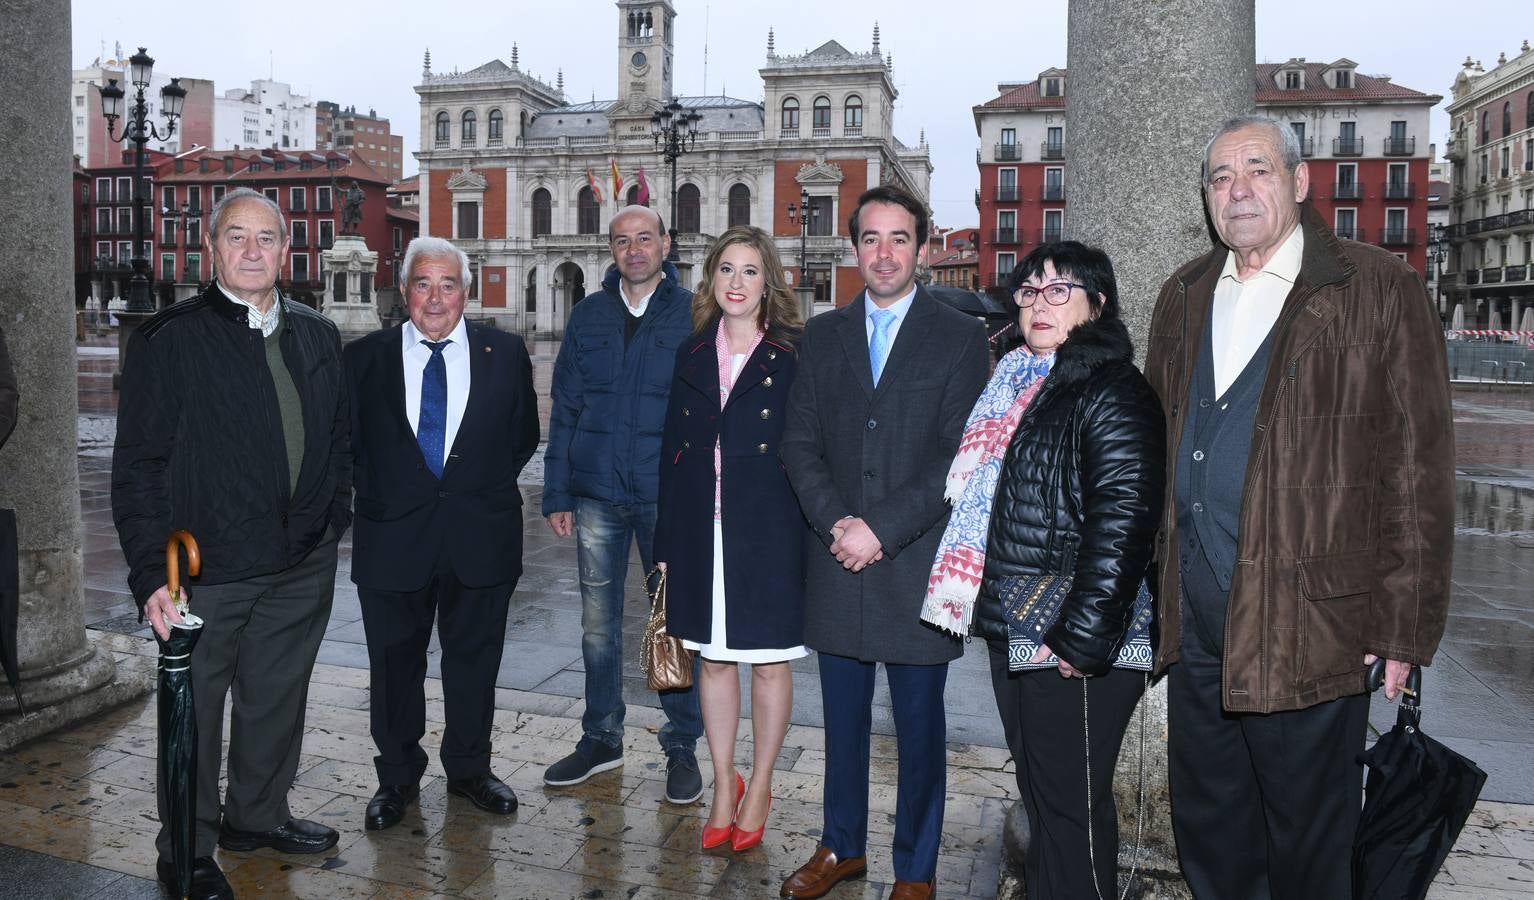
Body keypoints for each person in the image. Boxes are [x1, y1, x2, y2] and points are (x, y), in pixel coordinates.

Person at [1146, 114, 1455, 899]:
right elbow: (1160, 443)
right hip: (1200, 623)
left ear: (1298, 181)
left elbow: (1418, 467)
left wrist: (1403, 626)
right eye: (1220, 177)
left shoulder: (1376, 288)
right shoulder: (1183, 295)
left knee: (1309, 845)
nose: (1238, 189)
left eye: (1256, 169)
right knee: (1210, 826)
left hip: (1313, 626)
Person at [112, 187, 351, 900]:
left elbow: (337, 439)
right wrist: (151, 572)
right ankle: (185, 847)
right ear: (212, 249)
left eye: (266, 238)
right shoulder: (168, 339)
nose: (253, 251)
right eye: (237, 238)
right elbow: (140, 467)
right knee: (197, 709)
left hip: (299, 559)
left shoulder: (317, 333)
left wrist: (329, 519)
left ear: (286, 249)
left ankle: (257, 815)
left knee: (277, 698)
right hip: (205, 566)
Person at [923, 242, 1165, 898]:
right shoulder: (1015, 383)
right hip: (1017, 625)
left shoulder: (1111, 389)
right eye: (1029, 290)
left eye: (1060, 290)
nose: (1039, 302)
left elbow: (1125, 523)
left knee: (1071, 809)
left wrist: (1083, 640)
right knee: (1045, 796)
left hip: (1072, 640)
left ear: (1098, 305)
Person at [779, 186, 989, 900]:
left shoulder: (960, 338)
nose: (884, 253)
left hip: (914, 567)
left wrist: (882, 529)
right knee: (840, 724)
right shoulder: (825, 335)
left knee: (920, 732)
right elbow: (799, 443)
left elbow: (957, 457)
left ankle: (915, 869)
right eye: (870, 238)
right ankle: (841, 847)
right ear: (854, 248)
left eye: (900, 238)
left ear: (923, 250)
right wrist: (838, 522)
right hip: (837, 561)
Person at [345, 236, 539, 830]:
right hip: (391, 537)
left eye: (447, 284)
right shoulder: (363, 358)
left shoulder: (505, 353)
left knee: (475, 660)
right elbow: (347, 443)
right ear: (405, 293)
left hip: (480, 536)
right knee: (393, 664)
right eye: (423, 284)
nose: (435, 297)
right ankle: (397, 777)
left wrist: (470, 487)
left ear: (466, 291)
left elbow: (521, 437)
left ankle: (470, 770)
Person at [541, 205, 704, 804]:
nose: (633, 250)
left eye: (644, 238)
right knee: (597, 628)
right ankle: (602, 738)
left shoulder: (694, 315)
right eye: (621, 241)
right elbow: (567, 407)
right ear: (609, 250)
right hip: (597, 498)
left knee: (675, 625)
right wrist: (556, 492)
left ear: (666, 243)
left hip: (668, 499)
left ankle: (682, 745)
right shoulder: (588, 316)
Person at [653, 225, 806, 852]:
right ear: (710, 280)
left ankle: (762, 784)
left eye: (749, 271)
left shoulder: (793, 355)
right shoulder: (690, 352)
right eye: (726, 270)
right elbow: (670, 451)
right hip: (699, 531)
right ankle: (723, 781)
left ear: (767, 280)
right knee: (712, 660)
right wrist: (665, 541)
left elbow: (811, 447)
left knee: (769, 665)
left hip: (769, 532)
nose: (736, 283)